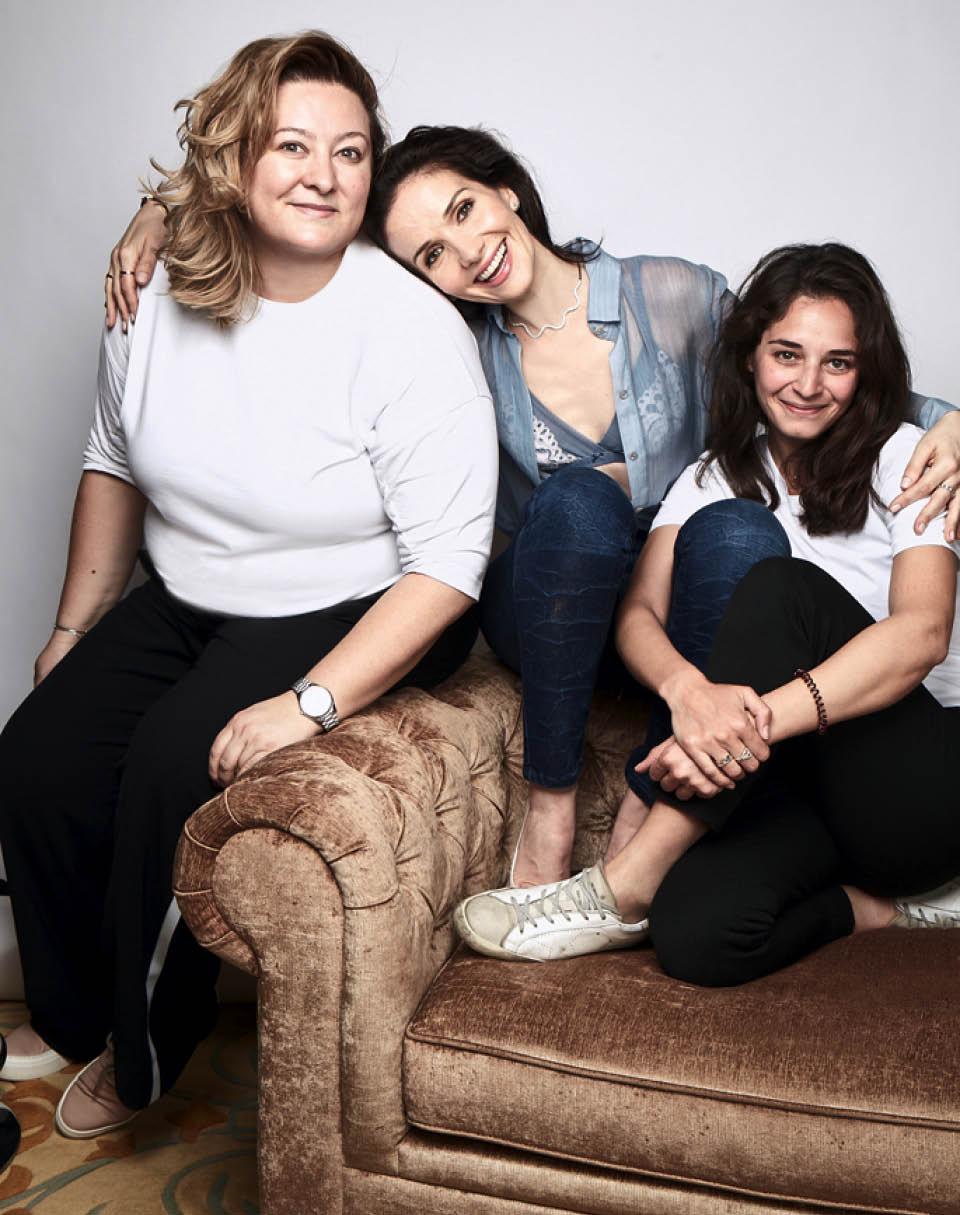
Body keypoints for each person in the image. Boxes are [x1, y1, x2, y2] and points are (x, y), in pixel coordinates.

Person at [109, 125, 960, 893]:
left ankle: (648, 806)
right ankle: (549, 811)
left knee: (737, 527)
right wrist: (168, 209)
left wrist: (948, 421)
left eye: (466, 210)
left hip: (685, 607)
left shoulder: (673, 297)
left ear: (507, 190)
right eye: (432, 255)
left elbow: (809, 369)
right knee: (580, 499)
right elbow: (315, 203)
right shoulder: (449, 353)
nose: (468, 253)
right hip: (551, 609)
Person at [0, 33, 496, 1138]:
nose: (324, 175)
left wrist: (310, 703)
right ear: (233, 158)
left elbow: (450, 565)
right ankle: (75, 1012)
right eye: (292, 145)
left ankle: (143, 1053)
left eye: (351, 152)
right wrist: (72, 627)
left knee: (171, 771)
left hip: (354, 599)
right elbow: (112, 459)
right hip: (191, 592)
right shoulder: (155, 288)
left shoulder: (411, 331)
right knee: (35, 759)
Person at [453, 243, 960, 982]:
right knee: (696, 935)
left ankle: (622, 884)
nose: (808, 384)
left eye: (838, 363)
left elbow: (922, 634)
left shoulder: (907, 457)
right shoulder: (711, 476)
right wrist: (690, 695)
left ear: (867, 372)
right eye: (786, 354)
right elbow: (638, 615)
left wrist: (737, 728)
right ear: (750, 356)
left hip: (913, 785)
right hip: (787, 781)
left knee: (777, 586)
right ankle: (880, 909)